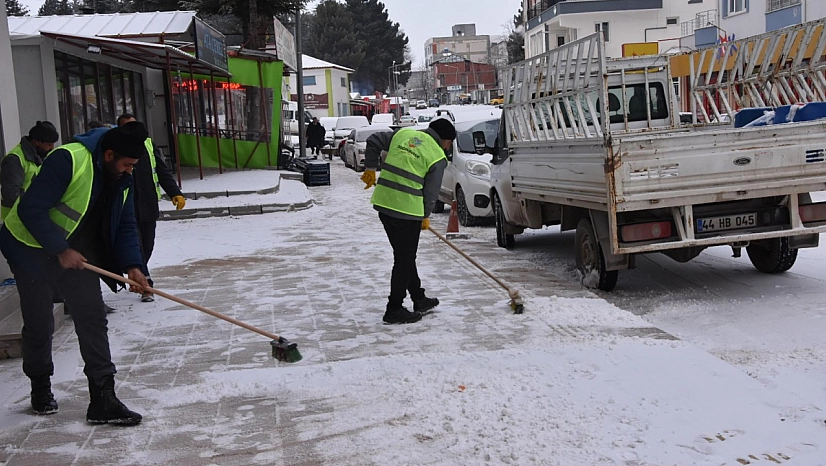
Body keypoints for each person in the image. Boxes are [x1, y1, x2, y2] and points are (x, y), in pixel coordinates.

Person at [0, 121, 151, 425]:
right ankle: (40, 385)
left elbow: (125, 224)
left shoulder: (122, 177)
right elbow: (30, 209)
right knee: (41, 321)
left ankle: (103, 398)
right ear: (108, 155)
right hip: (30, 248)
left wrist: (134, 266)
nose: (130, 171)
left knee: (92, 317)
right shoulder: (68, 159)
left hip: (77, 252)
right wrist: (60, 250)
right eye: (127, 164)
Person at [360, 118, 455, 324]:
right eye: (449, 143)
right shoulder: (437, 157)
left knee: (404, 255)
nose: (448, 148)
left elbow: (374, 140)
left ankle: (419, 298)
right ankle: (394, 308)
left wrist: (370, 168)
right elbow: (431, 193)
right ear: (445, 140)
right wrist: (425, 216)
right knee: (403, 259)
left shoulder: (402, 135)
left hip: (384, 205)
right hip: (407, 212)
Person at [116, 114, 185, 303]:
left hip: (147, 204)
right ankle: (146, 285)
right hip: (126, 206)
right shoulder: (116, 148)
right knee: (136, 244)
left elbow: (161, 171)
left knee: (147, 244)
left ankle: (136, 272)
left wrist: (174, 193)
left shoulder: (148, 145)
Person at [0, 121, 60, 220]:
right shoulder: (14, 159)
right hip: (15, 221)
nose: (52, 148)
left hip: (28, 218)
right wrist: (38, 204)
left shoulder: (38, 157)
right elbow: (11, 195)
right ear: (37, 142)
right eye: (49, 144)